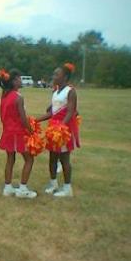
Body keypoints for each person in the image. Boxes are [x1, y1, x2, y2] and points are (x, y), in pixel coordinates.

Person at [36, 63, 80, 197]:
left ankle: (67, 188)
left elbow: (71, 111)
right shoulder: (55, 92)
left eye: (57, 74)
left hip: (64, 130)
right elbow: (52, 113)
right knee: (52, 158)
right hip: (53, 128)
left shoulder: (70, 91)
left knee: (64, 159)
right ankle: (53, 183)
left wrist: (61, 127)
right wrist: (35, 120)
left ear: (65, 77)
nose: (54, 76)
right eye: (54, 74)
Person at [0, 69, 37, 198]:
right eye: (19, 78)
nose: (21, 81)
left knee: (10, 159)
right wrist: (31, 131)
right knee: (29, 159)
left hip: (7, 132)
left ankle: (8, 187)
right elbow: (22, 118)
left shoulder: (4, 95)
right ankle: (22, 189)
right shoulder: (18, 97)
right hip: (17, 132)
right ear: (14, 81)